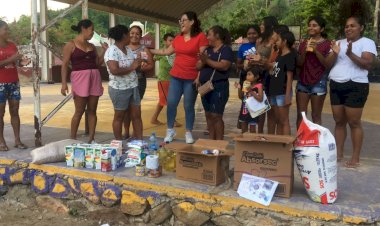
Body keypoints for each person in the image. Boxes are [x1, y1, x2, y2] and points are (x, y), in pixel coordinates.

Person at [150, 11, 208, 144]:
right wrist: (149, 49)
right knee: (171, 103)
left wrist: (199, 77)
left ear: (192, 21)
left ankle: (188, 132)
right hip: (176, 77)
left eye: (184, 20)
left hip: (191, 77)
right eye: (180, 20)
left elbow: (203, 60)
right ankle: (170, 130)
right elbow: (165, 52)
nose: (181, 22)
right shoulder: (178, 38)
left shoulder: (200, 37)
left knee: (188, 106)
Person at [327, 15, 376, 168]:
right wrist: (335, 52)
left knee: (354, 122)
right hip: (336, 84)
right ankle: (338, 154)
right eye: (347, 26)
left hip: (356, 85)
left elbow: (368, 64)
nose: (348, 28)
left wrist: (350, 54)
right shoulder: (339, 43)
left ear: (361, 28)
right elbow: (328, 65)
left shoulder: (367, 42)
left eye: (352, 26)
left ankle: (355, 158)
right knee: (339, 121)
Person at [61, 19, 107, 143]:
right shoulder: (70, 44)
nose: (93, 33)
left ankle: (91, 138)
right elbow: (65, 64)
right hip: (80, 79)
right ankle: (72, 139)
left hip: (94, 78)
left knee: (92, 110)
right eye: (92, 30)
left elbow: (97, 63)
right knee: (79, 111)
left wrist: (104, 50)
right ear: (83, 28)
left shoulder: (92, 46)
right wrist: (64, 83)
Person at [104, 25, 143, 140]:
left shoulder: (129, 50)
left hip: (133, 86)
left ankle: (140, 142)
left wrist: (139, 63)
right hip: (119, 89)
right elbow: (114, 70)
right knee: (119, 117)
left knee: (136, 115)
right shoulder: (112, 51)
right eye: (129, 34)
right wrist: (132, 66)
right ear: (123, 35)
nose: (131, 36)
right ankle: (119, 144)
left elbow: (134, 66)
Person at [196, 25, 234, 140]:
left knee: (216, 115)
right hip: (205, 87)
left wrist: (206, 60)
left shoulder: (226, 49)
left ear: (217, 36)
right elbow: (197, 66)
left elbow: (224, 66)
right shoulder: (207, 50)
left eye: (209, 34)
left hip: (219, 86)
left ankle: (219, 143)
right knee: (208, 115)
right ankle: (211, 142)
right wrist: (203, 61)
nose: (207, 37)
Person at [296, 16, 333, 128]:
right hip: (303, 82)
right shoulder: (303, 43)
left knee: (316, 115)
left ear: (321, 29)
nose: (311, 28)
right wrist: (305, 51)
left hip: (319, 82)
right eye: (310, 25)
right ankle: (300, 142)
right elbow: (299, 63)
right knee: (301, 115)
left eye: (314, 25)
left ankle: (316, 144)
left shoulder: (328, 44)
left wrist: (316, 50)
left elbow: (327, 65)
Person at [0, 20, 30, 151]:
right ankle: (1, 141)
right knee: (0, 114)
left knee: (15, 111)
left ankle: (17, 140)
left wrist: (22, 62)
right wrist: (12, 59)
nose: (8, 31)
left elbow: (16, 63)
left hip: (13, 82)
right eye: (5, 29)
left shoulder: (12, 45)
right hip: (0, 84)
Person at [123, 25, 154, 139]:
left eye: (137, 33)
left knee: (135, 108)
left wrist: (141, 68)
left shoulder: (144, 49)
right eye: (132, 33)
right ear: (128, 34)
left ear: (140, 36)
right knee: (125, 109)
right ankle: (126, 131)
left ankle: (135, 133)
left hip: (139, 81)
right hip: (124, 81)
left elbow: (150, 65)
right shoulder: (123, 48)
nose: (134, 35)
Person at [268, 31, 296, 135]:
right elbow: (273, 71)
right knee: (278, 120)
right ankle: (279, 146)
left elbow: (289, 77)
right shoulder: (279, 55)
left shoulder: (289, 56)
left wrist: (288, 95)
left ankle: (287, 146)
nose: (276, 41)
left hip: (282, 92)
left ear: (284, 41)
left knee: (284, 121)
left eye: (279, 39)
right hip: (275, 91)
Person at [151, 33, 182, 127]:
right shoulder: (161, 52)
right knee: (170, 101)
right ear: (165, 41)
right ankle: (173, 120)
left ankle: (154, 118)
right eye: (170, 40)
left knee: (163, 101)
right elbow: (152, 58)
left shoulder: (176, 52)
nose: (172, 42)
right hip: (163, 80)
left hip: (174, 80)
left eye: (173, 40)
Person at [235, 25, 261, 132]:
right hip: (245, 79)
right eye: (249, 33)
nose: (251, 35)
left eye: (254, 33)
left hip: (258, 79)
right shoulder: (243, 47)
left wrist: (256, 62)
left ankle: (256, 131)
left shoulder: (261, 46)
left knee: (257, 104)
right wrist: (245, 65)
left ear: (258, 34)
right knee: (245, 101)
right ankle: (242, 120)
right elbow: (238, 64)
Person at [257, 16, 279, 134]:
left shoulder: (275, 41)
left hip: (270, 76)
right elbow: (256, 56)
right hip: (259, 75)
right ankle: (259, 135)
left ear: (269, 26)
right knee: (259, 109)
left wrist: (264, 61)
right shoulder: (259, 40)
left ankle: (271, 137)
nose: (260, 26)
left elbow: (274, 61)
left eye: (263, 24)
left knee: (270, 109)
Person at [236, 67, 264, 134]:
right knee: (243, 129)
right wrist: (239, 88)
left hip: (253, 111)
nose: (247, 76)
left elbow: (260, 99)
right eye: (247, 75)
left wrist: (251, 91)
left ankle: (252, 144)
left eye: (249, 75)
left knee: (252, 130)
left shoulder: (259, 86)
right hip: (244, 109)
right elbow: (241, 97)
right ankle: (244, 143)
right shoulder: (246, 84)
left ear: (256, 77)